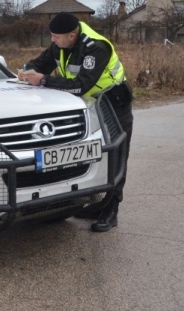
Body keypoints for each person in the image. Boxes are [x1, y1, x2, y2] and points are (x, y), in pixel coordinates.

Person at [19, 12, 133, 233]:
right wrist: (26, 71)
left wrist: (42, 80)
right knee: (83, 154)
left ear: (72, 36)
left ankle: (111, 209)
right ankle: (90, 203)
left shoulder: (96, 48)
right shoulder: (61, 44)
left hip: (112, 104)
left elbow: (82, 86)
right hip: (85, 108)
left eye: (55, 36)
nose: (52, 40)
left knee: (115, 155)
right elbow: (41, 62)